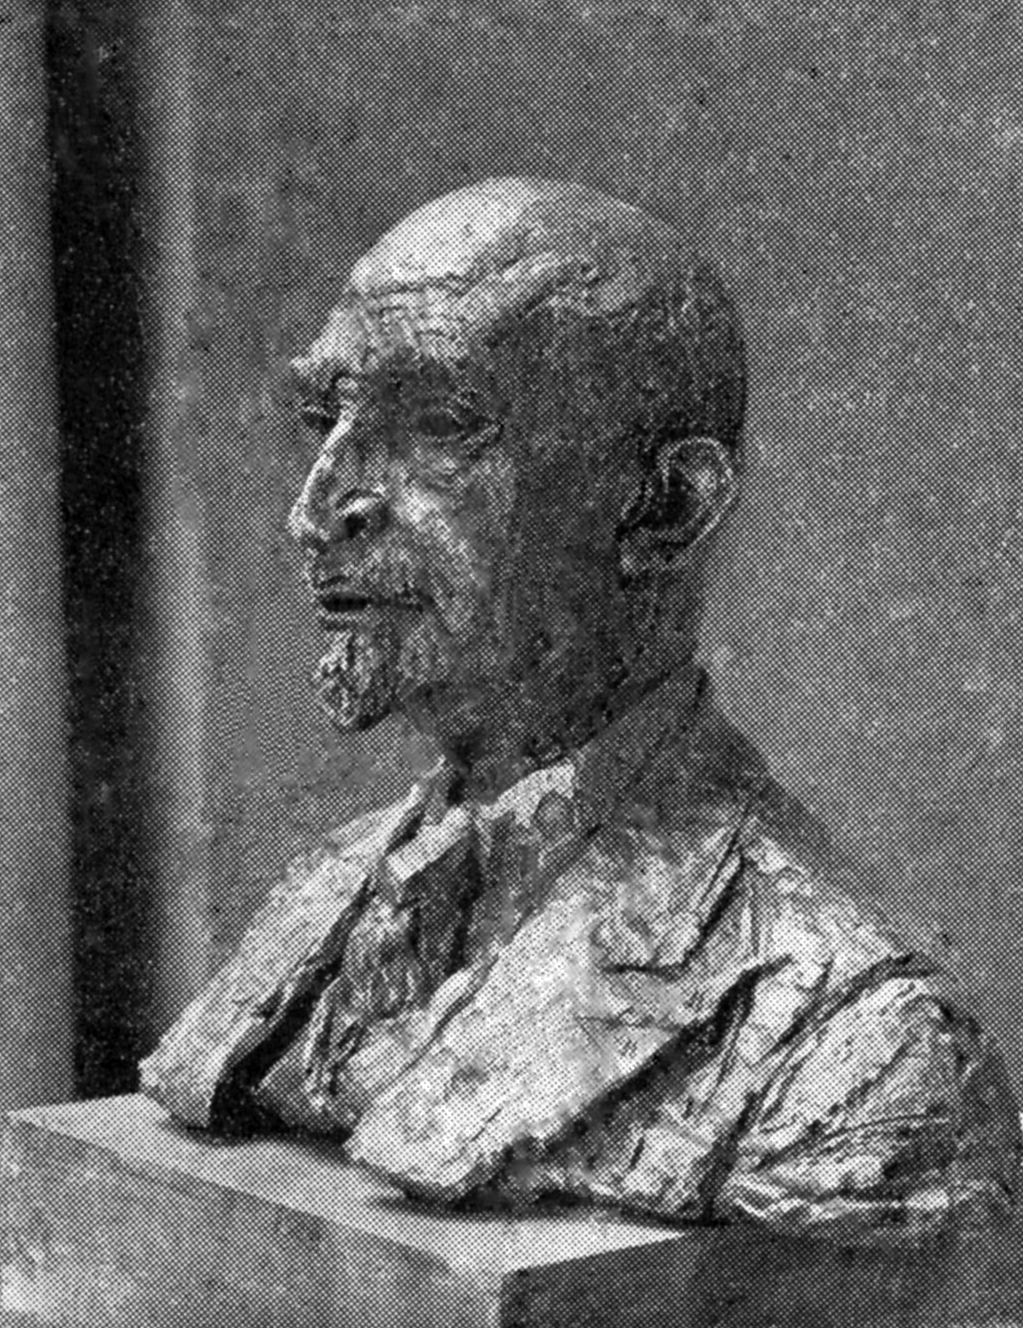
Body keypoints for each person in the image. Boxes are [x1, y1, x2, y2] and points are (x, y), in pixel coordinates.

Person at [141, 177, 1021, 1238]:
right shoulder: (324, 890)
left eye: (442, 425)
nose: (316, 511)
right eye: (326, 418)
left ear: (666, 505)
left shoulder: (858, 1044)